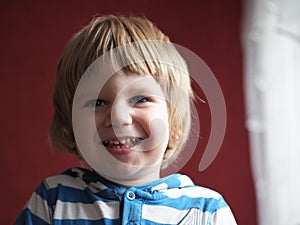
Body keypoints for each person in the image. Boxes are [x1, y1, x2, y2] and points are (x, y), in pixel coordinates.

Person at [15, 15, 237, 225]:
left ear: (173, 121)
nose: (118, 118)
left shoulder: (207, 211)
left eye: (140, 99)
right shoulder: (52, 200)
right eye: (97, 103)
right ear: (70, 125)